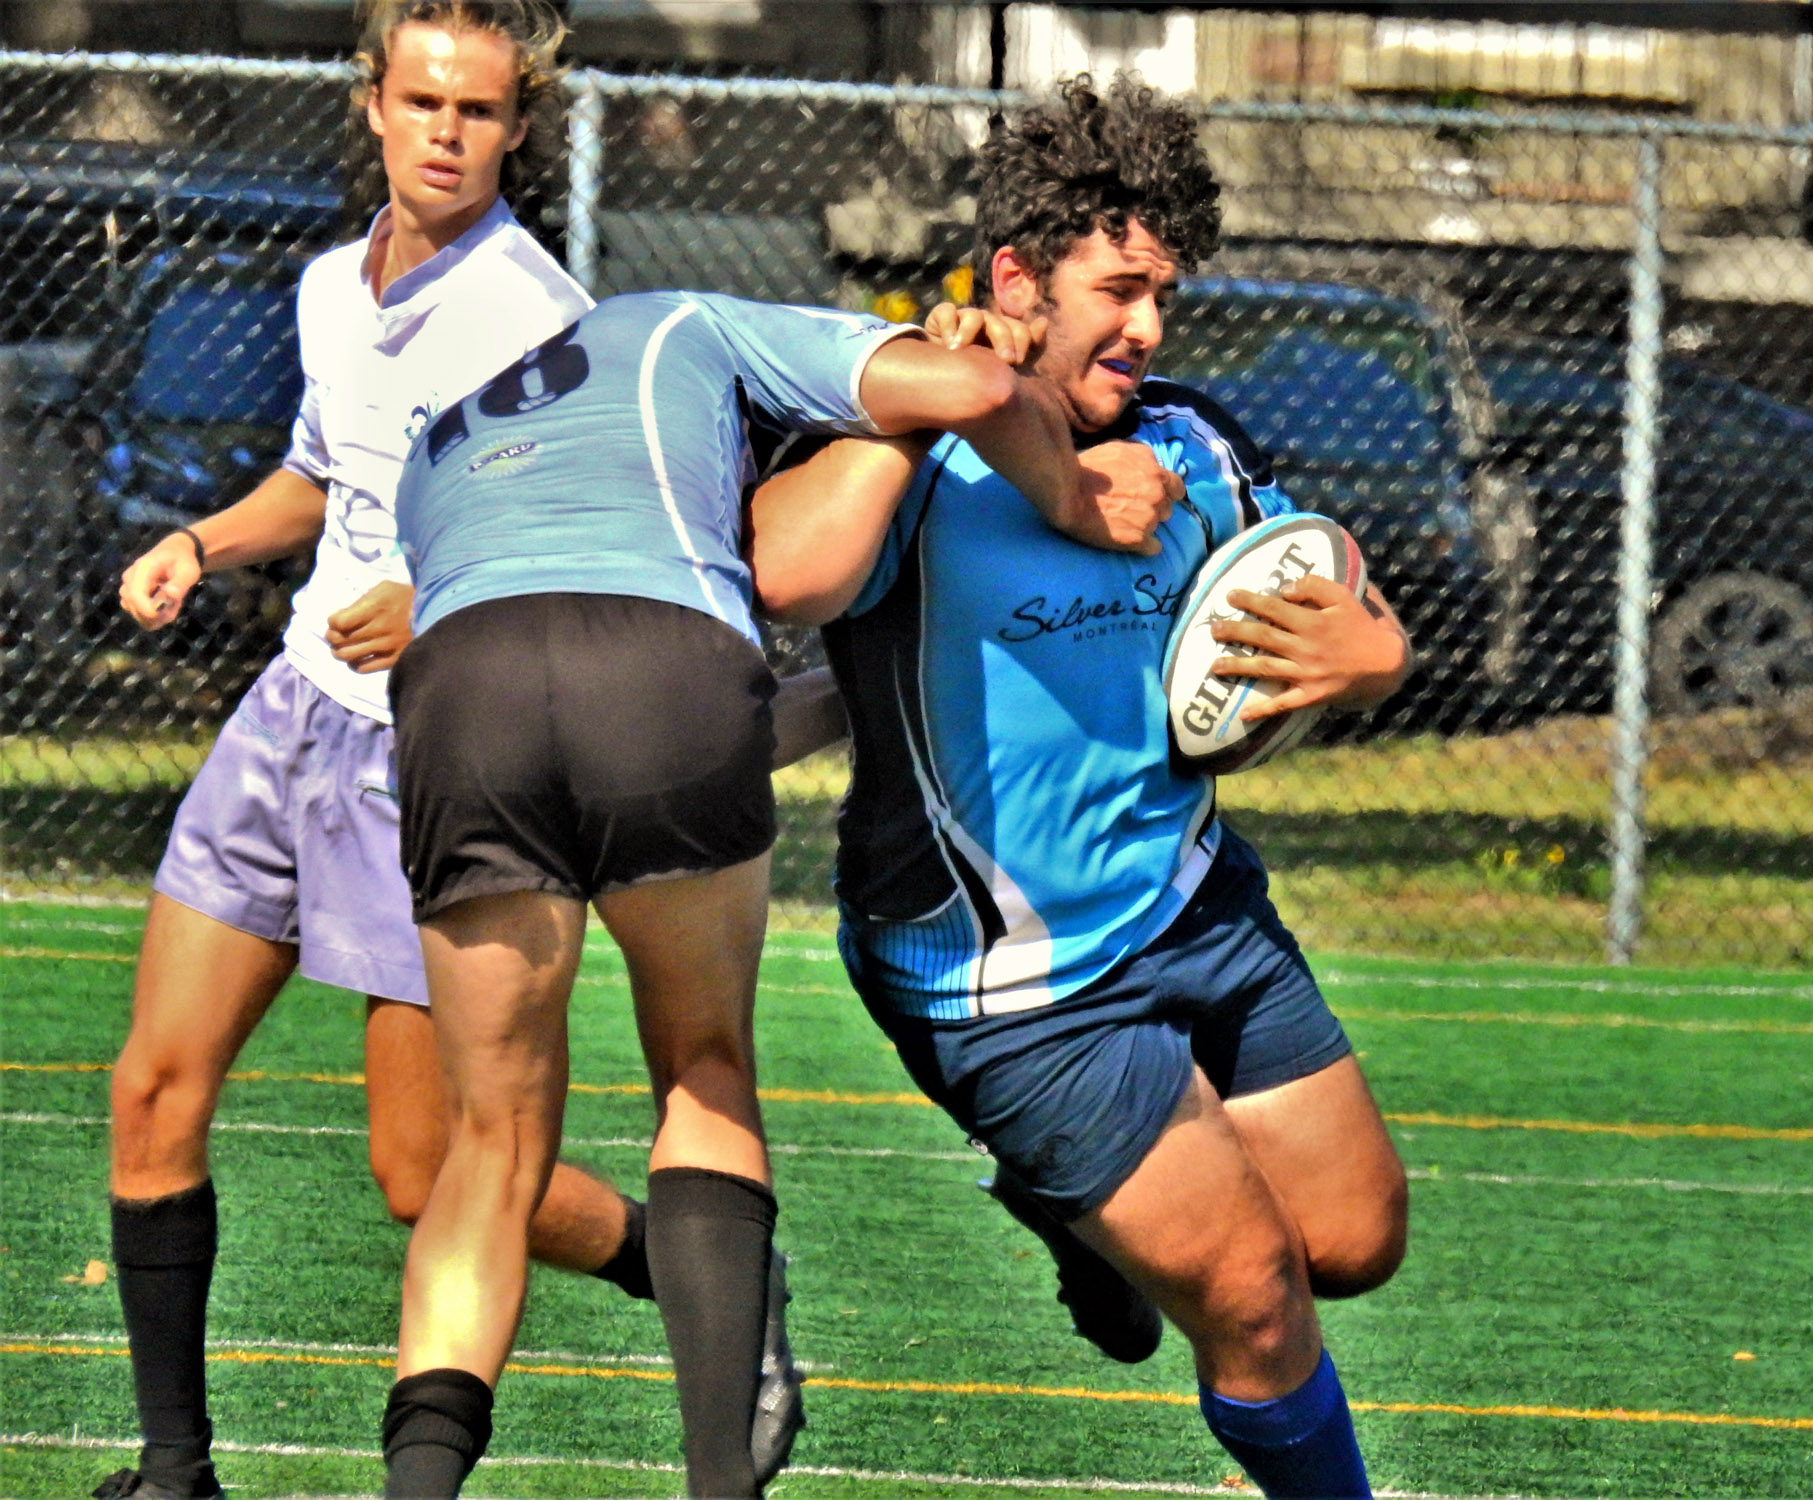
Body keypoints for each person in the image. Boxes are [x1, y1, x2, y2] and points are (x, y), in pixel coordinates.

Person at [87, 6, 772, 1497]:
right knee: (152, 1088)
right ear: (374, 106)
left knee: (427, 1170)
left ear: (520, 127)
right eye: (422, 101)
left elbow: (587, 528)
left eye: (476, 109)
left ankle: (690, 1266)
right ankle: (175, 1469)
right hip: (288, 715)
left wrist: (441, 592)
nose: (446, 131)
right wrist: (203, 541)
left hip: (432, 748)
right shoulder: (330, 283)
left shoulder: (536, 311)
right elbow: (317, 475)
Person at [377, 287, 1177, 1499]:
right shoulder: (682, 320)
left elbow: (579, 675)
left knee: (489, 1144)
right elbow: (968, 388)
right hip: (663, 666)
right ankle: (718, 1482)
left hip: (456, 690)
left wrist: (832, 701)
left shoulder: (439, 444)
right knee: (702, 1072)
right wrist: (1068, 492)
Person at [746, 75, 1412, 1499]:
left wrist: (1371, 658)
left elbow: (1329, 595)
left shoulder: (1190, 440)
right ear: (1014, 284)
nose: (1150, 327)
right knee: (1252, 1296)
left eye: (1164, 293)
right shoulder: (913, 459)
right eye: (1119, 291)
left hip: (1197, 903)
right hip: (1007, 981)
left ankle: (1075, 1216)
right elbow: (788, 573)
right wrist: (929, 393)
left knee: (1353, 1241)